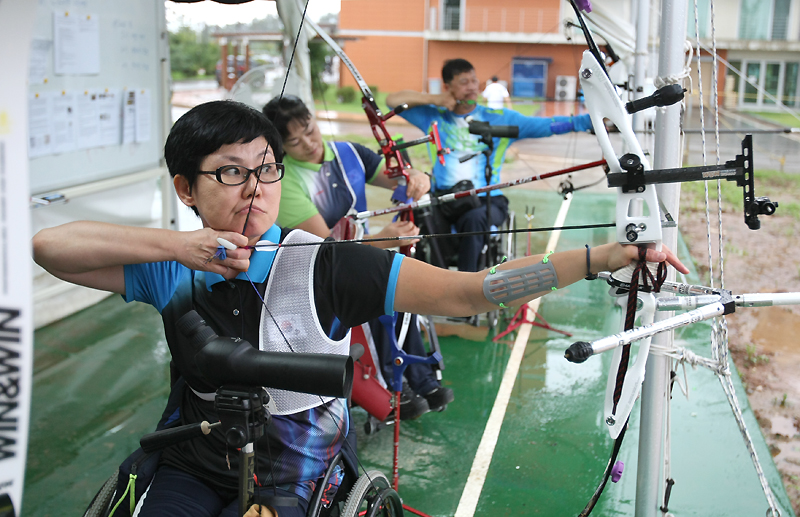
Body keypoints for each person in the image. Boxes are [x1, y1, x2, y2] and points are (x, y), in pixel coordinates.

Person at [32, 100, 687, 517]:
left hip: (294, 475)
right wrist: (180, 245)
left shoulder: (330, 262)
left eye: (267, 169)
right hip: (189, 459)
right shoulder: (167, 267)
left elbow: (472, 290)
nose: (255, 189)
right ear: (186, 186)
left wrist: (600, 257)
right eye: (231, 172)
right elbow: (50, 245)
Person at [262, 95, 453, 420]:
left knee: (399, 290)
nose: (308, 143)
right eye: (294, 141)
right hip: (314, 275)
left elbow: (398, 177)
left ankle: (420, 380)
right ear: (282, 147)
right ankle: (390, 389)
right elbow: (326, 253)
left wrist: (417, 177)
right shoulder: (287, 181)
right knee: (375, 296)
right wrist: (381, 240)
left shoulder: (349, 152)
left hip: (361, 251)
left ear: (314, 119)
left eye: (309, 130)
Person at [386, 58, 595, 272]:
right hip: (444, 199)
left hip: (487, 201)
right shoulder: (433, 116)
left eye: (475, 81)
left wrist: (589, 122)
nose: (472, 87)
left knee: (475, 219)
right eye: (464, 82)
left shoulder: (498, 118)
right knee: (424, 218)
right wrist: (436, 99)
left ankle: (467, 285)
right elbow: (391, 101)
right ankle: (436, 284)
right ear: (448, 87)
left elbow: (547, 125)